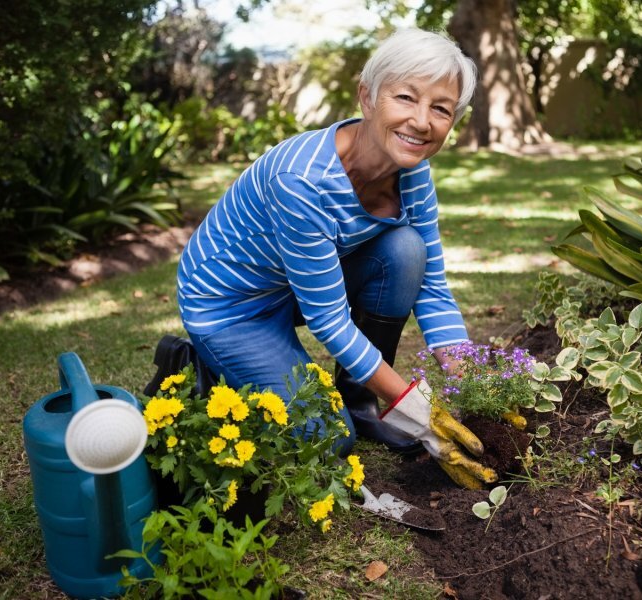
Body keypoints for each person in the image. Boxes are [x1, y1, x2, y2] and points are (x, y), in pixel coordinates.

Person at [159, 28, 496, 489]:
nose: (422, 121)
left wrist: (478, 388)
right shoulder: (302, 180)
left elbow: (432, 286)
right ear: (367, 97)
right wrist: (419, 411)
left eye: (441, 108)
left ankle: (361, 405)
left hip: (295, 283)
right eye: (406, 98)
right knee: (327, 438)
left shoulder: (412, 173)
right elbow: (330, 320)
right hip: (231, 306)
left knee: (405, 250)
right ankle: (199, 362)